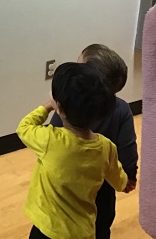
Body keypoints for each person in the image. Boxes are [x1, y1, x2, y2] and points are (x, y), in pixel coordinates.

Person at [17, 62, 129, 239]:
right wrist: (126, 183)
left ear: (59, 108)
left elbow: (23, 127)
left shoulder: (50, 140)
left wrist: (47, 106)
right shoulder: (106, 147)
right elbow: (120, 181)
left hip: (47, 230)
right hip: (83, 232)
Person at [50, 44, 138, 238]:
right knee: (100, 229)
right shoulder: (122, 110)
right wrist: (129, 177)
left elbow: (52, 148)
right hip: (102, 192)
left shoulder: (64, 113)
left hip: (64, 193)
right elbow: (128, 153)